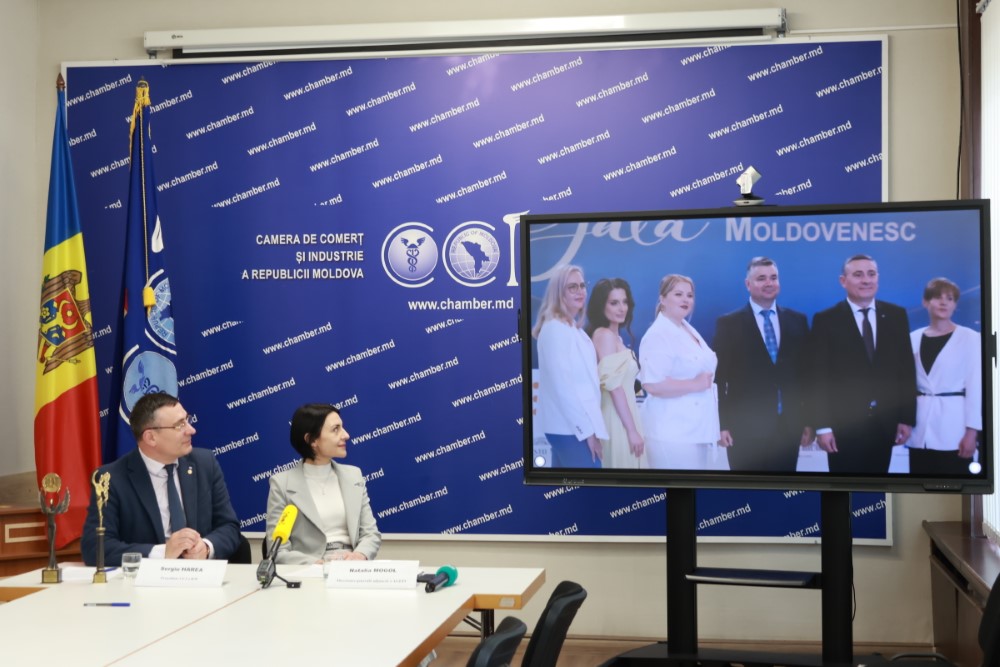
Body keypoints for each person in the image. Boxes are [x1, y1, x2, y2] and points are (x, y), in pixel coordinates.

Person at [81, 392, 241, 566]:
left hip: (200, 575)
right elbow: (95, 547)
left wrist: (206, 547)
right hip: (144, 580)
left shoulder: (205, 464)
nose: (191, 430)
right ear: (151, 437)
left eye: (187, 420)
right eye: (179, 425)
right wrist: (162, 553)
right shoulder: (110, 479)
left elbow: (229, 527)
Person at [808, 254, 917, 474]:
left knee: (876, 488)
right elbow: (816, 377)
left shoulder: (896, 315)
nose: (866, 280)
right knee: (841, 489)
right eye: (858, 275)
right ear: (843, 281)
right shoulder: (826, 319)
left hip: (885, 425)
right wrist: (822, 426)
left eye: (871, 274)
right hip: (843, 427)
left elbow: (905, 370)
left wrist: (906, 418)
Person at [713, 257, 812, 472]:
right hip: (743, 429)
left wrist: (808, 420)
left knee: (783, 490)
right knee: (747, 490)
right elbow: (718, 379)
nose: (769, 283)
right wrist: (721, 424)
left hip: (788, 428)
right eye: (761, 278)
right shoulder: (729, 324)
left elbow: (807, 377)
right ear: (748, 284)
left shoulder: (798, 320)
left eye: (773, 278)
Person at [266, 403, 381, 564]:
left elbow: (370, 534)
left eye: (342, 427)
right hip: (309, 571)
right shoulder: (281, 484)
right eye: (336, 429)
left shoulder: (354, 476)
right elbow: (278, 550)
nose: (346, 435)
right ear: (312, 440)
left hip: (351, 568)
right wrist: (314, 564)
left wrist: (359, 555)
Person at [638, 274, 727, 470]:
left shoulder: (686, 328)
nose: (685, 299)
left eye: (690, 295)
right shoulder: (658, 334)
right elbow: (652, 384)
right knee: (678, 486)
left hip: (695, 431)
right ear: (662, 299)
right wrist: (695, 384)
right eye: (678, 294)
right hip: (671, 434)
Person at [531, 264, 607, 468]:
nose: (580, 291)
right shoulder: (555, 329)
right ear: (559, 293)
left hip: (572, 429)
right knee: (589, 486)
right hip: (569, 430)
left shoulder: (574, 330)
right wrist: (587, 432)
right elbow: (562, 388)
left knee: (568, 487)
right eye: (572, 287)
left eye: (582, 285)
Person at [906, 277, 981, 474]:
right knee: (918, 483)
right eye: (937, 297)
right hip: (919, 428)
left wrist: (972, 432)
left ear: (955, 305)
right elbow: (904, 384)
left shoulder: (971, 338)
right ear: (925, 302)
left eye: (950, 299)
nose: (944, 303)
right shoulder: (913, 338)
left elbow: (976, 388)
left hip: (954, 428)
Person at [585, 277, 645, 468]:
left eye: (624, 302)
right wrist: (632, 431)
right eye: (614, 303)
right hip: (616, 418)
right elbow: (614, 388)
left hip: (625, 415)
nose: (622, 308)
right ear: (601, 305)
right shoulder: (604, 335)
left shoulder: (615, 337)